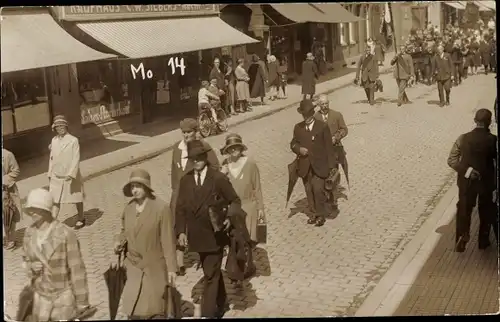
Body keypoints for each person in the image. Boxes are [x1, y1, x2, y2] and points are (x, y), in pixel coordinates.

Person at [175, 140, 241, 318]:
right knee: (209, 270)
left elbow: (235, 201)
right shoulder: (185, 180)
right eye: (192, 158)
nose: (196, 161)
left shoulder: (218, 178)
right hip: (196, 237)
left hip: (215, 234)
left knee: (210, 274)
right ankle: (222, 301)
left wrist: (228, 218)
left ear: (205, 157)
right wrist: (181, 231)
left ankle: (209, 313)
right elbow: (180, 208)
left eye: (199, 157)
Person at [114, 169, 177, 319]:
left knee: (153, 310)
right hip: (132, 267)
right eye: (132, 186)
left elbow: (168, 241)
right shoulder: (129, 209)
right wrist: (118, 241)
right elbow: (124, 231)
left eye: (138, 186)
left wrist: (172, 269)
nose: (134, 190)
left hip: (153, 268)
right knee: (133, 309)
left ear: (147, 187)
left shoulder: (161, 208)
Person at [22, 188, 90, 321]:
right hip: (40, 299)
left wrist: (82, 301)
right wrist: (30, 267)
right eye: (30, 208)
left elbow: (77, 269)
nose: (31, 212)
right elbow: (25, 260)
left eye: (35, 208)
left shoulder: (65, 234)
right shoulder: (29, 234)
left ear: (46, 208)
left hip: (62, 300)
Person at [170, 118, 220, 276]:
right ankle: (179, 261)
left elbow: (215, 166)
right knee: (177, 223)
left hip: (197, 193)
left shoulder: (203, 147)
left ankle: (203, 252)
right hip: (179, 192)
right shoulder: (177, 149)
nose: (186, 136)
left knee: (196, 223)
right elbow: (174, 171)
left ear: (195, 132)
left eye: (189, 132)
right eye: (183, 133)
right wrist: (174, 190)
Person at [447, 109, 497, 252]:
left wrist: (467, 171)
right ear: (489, 122)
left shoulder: (462, 138)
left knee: (464, 209)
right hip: (486, 182)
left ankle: (462, 237)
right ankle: (483, 240)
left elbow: (451, 160)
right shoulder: (493, 140)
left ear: (475, 121)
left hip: (466, 182)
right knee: (486, 209)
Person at [290, 100, 336, 227]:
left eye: (308, 114)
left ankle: (321, 215)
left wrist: (331, 167)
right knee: (308, 190)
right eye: (304, 114)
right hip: (305, 166)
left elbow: (329, 148)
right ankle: (313, 214)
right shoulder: (298, 128)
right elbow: (293, 143)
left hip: (320, 165)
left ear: (312, 113)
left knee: (317, 189)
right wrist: (299, 149)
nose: (306, 117)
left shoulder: (322, 127)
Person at [220, 133, 265, 245]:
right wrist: (222, 175)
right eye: (230, 148)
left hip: (249, 206)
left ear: (241, 147)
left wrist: (260, 208)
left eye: (236, 146)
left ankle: (250, 261)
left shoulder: (250, 164)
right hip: (233, 209)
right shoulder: (225, 165)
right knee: (236, 241)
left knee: (249, 241)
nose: (234, 149)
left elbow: (257, 187)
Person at [48, 115, 85, 229]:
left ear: (66, 126)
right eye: (58, 126)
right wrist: (50, 172)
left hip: (70, 175)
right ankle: (52, 222)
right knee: (55, 199)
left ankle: (81, 217)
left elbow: (76, 158)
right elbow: (52, 158)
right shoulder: (53, 141)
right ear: (55, 128)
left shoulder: (73, 140)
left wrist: (71, 174)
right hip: (56, 175)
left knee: (76, 198)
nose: (60, 128)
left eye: (62, 126)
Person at [313, 95, 348, 211]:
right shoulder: (315, 117)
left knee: (333, 175)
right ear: (319, 105)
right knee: (322, 175)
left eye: (326, 103)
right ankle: (325, 196)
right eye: (322, 104)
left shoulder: (336, 115)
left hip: (334, 151)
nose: (325, 106)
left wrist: (336, 137)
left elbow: (344, 129)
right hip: (321, 153)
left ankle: (333, 199)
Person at [2, 147, 21, 250]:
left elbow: (16, 171)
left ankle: (11, 239)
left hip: (6, 190)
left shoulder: (7, 155)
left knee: (9, 214)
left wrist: (4, 180)